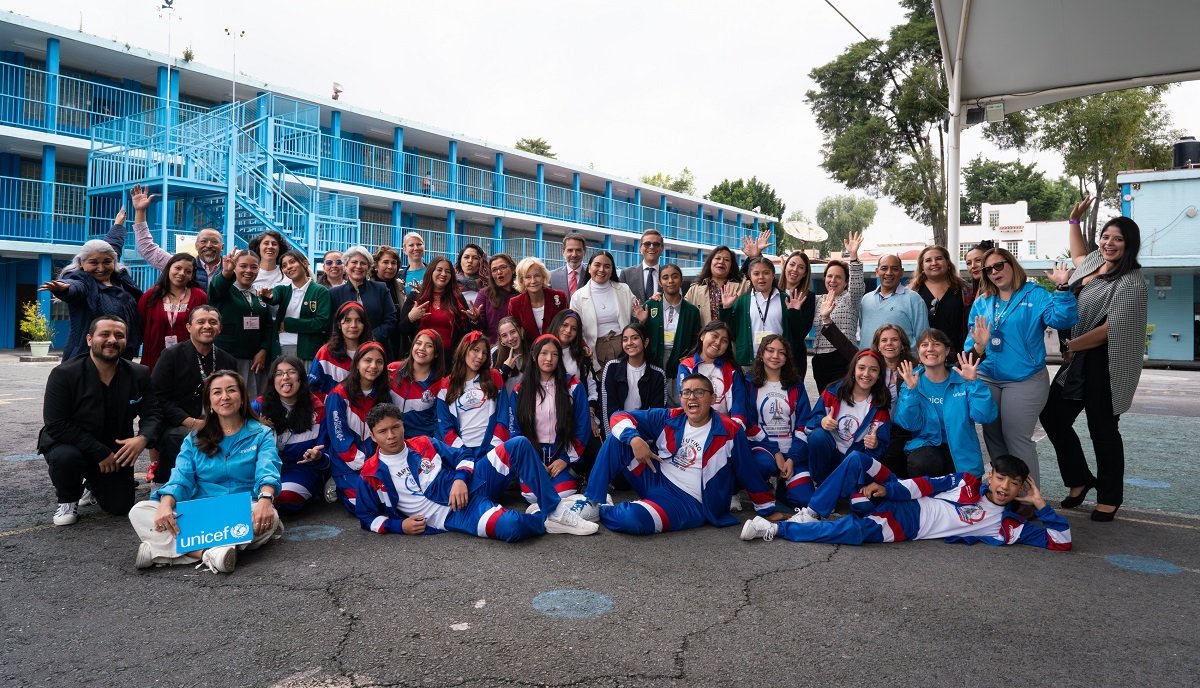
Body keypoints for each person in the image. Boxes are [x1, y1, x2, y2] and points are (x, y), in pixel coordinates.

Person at [1041, 197, 1148, 522]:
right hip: (1076, 357)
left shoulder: (1131, 282)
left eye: (1118, 239)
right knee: (1053, 418)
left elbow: (1109, 330)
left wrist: (1073, 343)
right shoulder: (1093, 262)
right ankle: (1080, 479)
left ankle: (1109, 497)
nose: (1109, 243)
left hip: (1104, 362)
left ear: (1129, 245)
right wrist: (1074, 221)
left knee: (1102, 429)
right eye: (1106, 236)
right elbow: (1077, 255)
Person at [740, 453, 1072, 553]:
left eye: (1014, 485)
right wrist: (889, 490)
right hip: (899, 501)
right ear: (990, 476)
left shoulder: (1005, 525)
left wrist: (1041, 506)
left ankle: (776, 528)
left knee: (854, 532)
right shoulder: (966, 481)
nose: (1005, 488)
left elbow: (1061, 541)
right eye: (1001, 479)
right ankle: (808, 515)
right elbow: (925, 485)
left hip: (906, 526)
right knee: (858, 459)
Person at [572, 374, 776, 535]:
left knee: (632, 520)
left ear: (712, 398)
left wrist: (767, 508)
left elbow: (747, 469)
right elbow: (618, 416)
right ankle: (593, 500)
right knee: (619, 439)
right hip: (654, 477)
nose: (692, 397)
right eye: (686, 392)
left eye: (699, 392)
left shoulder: (730, 430)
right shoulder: (670, 417)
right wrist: (634, 438)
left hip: (689, 501)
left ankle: (604, 510)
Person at [353, 404, 597, 538]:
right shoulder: (370, 474)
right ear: (373, 436)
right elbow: (366, 517)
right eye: (383, 432)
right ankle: (544, 520)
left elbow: (463, 456)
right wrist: (399, 526)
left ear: (403, 426)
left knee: (519, 444)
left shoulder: (424, 443)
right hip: (454, 514)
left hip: (472, 484)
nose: (391, 435)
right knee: (512, 528)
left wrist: (460, 479)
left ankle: (555, 509)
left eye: (395, 427)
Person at [128, 371, 282, 573]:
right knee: (140, 511)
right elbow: (181, 477)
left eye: (231, 390)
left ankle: (162, 551)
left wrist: (265, 500)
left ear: (243, 397)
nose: (224, 397)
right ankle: (209, 554)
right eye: (217, 392)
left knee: (270, 519)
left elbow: (268, 468)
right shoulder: (194, 438)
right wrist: (165, 504)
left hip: (242, 508)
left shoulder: (261, 433)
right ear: (209, 402)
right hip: (201, 510)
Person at [964, 247, 1076, 483]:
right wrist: (979, 347)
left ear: (1011, 264)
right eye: (988, 269)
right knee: (992, 435)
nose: (994, 272)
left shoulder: (1035, 295)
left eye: (998, 265)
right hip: (988, 376)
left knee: (1016, 437)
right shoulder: (983, 302)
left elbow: (1063, 319)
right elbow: (970, 347)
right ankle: (1004, 493)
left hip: (1024, 378)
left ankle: (1028, 500)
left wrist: (1063, 289)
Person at [38, 316, 160, 526]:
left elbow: (153, 413)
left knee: (119, 507)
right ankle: (68, 499)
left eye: (119, 336)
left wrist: (143, 438)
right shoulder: (64, 374)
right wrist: (99, 452)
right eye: (105, 334)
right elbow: (56, 424)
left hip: (114, 448)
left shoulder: (139, 373)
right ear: (89, 339)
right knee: (66, 458)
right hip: (70, 442)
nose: (112, 340)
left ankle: (91, 483)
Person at [149, 306, 238, 484]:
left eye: (213, 322)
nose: (207, 326)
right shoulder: (171, 355)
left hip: (218, 421)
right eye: (201, 322)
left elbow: (236, 397)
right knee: (178, 437)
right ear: (189, 327)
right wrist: (191, 422)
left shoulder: (228, 360)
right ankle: (171, 486)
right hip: (179, 422)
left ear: (220, 328)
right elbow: (158, 398)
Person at [895, 331, 997, 478]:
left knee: (965, 496)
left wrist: (974, 383)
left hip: (962, 450)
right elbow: (909, 424)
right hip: (927, 449)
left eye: (936, 344)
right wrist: (911, 392)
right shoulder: (912, 381)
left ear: (947, 350)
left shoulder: (963, 378)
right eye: (924, 345)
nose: (930, 349)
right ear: (918, 351)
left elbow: (985, 416)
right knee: (924, 462)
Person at [510, 334, 592, 503]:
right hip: (533, 455)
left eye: (555, 354)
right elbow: (515, 430)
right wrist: (532, 460)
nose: (549, 359)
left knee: (563, 494)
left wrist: (565, 459)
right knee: (532, 496)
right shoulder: (520, 390)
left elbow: (583, 426)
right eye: (544, 353)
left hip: (562, 453)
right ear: (534, 356)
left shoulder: (573, 386)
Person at [743, 334, 817, 509]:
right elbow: (749, 424)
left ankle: (783, 488)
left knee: (804, 500)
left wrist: (792, 457)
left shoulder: (796, 384)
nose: (775, 356)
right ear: (761, 354)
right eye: (770, 350)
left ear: (786, 358)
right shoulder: (749, 383)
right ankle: (763, 484)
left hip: (791, 450)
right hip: (763, 449)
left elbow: (803, 423)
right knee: (762, 465)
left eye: (781, 352)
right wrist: (775, 452)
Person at [41, 239, 143, 362]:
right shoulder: (84, 280)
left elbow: (114, 244)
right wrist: (64, 288)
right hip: (86, 358)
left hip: (122, 355)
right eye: (93, 263)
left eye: (107, 262)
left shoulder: (119, 279)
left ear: (114, 261)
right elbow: (77, 287)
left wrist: (118, 224)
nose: (101, 268)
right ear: (81, 263)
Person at [252, 356, 329, 515]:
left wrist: (318, 456)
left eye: (291, 372)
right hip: (263, 469)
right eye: (279, 373)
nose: (285, 377)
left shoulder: (317, 408)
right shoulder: (258, 407)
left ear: (301, 377)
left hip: (300, 469)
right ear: (273, 379)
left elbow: (328, 453)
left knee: (286, 498)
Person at [804, 349, 892, 486]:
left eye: (873, 370)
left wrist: (875, 445)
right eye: (861, 368)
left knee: (860, 504)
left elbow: (882, 448)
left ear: (879, 375)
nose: (866, 374)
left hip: (853, 462)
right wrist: (822, 421)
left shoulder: (880, 406)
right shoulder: (832, 392)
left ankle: (842, 487)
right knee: (818, 436)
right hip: (830, 456)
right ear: (853, 370)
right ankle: (821, 483)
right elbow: (809, 424)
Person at [325, 341, 390, 512]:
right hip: (346, 464)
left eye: (379, 362)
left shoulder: (383, 394)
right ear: (358, 363)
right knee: (367, 505)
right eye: (367, 360)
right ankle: (338, 484)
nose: (373, 366)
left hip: (376, 463)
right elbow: (339, 438)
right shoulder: (338, 395)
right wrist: (366, 464)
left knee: (390, 501)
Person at [122, 184, 224, 289]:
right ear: (196, 245)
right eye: (203, 241)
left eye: (214, 242)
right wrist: (140, 211)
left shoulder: (234, 269)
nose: (209, 245)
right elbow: (147, 248)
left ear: (222, 247)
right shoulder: (179, 266)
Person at [208, 250, 275, 400]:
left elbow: (268, 326)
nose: (248, 271)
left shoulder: (258, 295)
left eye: (254, 267)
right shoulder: (226, 291)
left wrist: (263, 349)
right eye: (243, 266)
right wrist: (226, 272)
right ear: (235, 267)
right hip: (228, 358)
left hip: (255, 361)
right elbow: (216, 289)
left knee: (252, 401)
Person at [719, 256, 807, 368]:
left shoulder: (785, 299)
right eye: (756, 274)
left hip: (778, 361)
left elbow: (798, 334)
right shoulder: (742, 301)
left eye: (766, 273)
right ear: (750, 277)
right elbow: (731, 333)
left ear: (773, 274)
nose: (761, 277)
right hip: (750, 362)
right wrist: (726, 308)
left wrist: (794, 312)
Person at [435, 331, 511, 457]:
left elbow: (503, 417)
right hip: (461, 453)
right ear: (464, 350)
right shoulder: (445, 385)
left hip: (493, 451)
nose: (480, 356)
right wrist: (463, 453)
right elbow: (445, 427)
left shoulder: (494, 377)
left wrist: (493, 449)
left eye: (485, 353)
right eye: (476, 350)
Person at [810, 232, 864, 391]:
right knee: (826, 403)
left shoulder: (850, 298)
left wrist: (853, 256)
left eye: (838, 277)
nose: (833, 280)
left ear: (846, 281)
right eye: (829, 276)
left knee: (843, 402)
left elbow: (857, 285)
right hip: (820, 360)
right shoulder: (818, 300)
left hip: (843, 357)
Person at [137, 252, 207, 371]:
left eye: (188, 271)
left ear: (192, 276)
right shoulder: (151, 295)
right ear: (169, 268)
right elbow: (140, 323)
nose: (181, 273)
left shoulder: (199, 296)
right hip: (155, 356)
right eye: (178, 268)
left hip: (188, 357)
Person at [643, 264, 700, 406]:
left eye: (675, 276)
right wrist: (642, 321)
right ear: (659, 282)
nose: (670, 281)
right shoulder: (650, 305)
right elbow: (640, 334)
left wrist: (688, 356)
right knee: (654, 406)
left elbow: (696, 340)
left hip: (678, 364)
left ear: (681, 280)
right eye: (665, 277)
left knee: (677, 407)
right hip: (654, 363)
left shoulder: (692, 311)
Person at [263, 250, 331, 366]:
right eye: (284, 266)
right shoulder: (282, 290)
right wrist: (268, 296)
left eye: (292, 262)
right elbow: (274, 297)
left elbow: (321, 322)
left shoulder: (320, 291)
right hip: (282, 349)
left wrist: (289, 324)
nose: (288, 267)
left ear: (304, 263)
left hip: (307, 351)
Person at [677, 320, 749, 429]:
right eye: (714, 336)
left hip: (725, 431)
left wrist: (733, 431)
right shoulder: (687, 366)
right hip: (694, 428)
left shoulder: (732, 370)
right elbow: (687, 400)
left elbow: (738, 408)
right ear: (702, 336)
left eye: (724, 341)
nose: (718, 342)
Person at [398, 256, 479, 353]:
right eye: (439, 270)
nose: (443, 274)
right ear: (431, 272)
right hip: (420, 357)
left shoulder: (457, 298)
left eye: (448, 272)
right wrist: (411, 317)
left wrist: (474, 320)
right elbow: (402, 329)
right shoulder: (416, 296)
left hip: (449, 360)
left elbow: (466, 333)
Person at [571, 251, 636, 368]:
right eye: (597, 265)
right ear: (589, 268)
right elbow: (575, 327)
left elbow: (638, 311)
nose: (602, 269)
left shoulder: (624, 289)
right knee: (600, 384)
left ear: (612, 271)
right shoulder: (578, 296)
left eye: (607, 266)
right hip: (594, 349)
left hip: (623, 347)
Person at [600, 323, 667, 433]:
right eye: (625, 340)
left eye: (635, 338)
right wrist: (611, 436)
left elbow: (658, 414)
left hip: (645, 432)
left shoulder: (658, 374)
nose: (629, 343)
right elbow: (607, 407)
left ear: (645, 342)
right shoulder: (612, 367)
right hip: (617, 430)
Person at [870, 323, 918, 478]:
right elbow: (847, 350)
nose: (889, 343)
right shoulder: (871, 368)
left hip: (904, 431)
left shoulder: (915, 368)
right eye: (884, 340)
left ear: (903, 345)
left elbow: (943, 367)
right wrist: (827, 321)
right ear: (877, 346)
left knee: (893, 457)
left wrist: (978, 349)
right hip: (876, 428)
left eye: (894, 340)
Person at [329, 245, 398, 350]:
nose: (358, 266)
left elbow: (391, 320)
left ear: (369, 268)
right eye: (354, 262)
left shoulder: (381, 289)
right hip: (344, 350)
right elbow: (332, 324)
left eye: (363, 263)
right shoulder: (334, 293)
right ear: (346, 266)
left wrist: (370, 338)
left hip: (378, 348)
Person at [387, 328, 446, 440]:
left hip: (421, 445)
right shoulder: (392, 370)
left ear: (437, 353)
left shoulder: (440, 385)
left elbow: (439, 423)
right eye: (418, 343)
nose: (422, 348)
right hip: (390, 441)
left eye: (429, 346)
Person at [910, 245, 970, 354]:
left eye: (939, 258)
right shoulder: (912, 293)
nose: (934, 263)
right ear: (922, 266)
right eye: (928, 260)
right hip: (925, 355)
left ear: (947, 263)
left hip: (958, 354)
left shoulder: (964, 290)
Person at [309, 302, 374, 400]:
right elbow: (311, 388)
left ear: (364, 324)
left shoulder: (373, 351)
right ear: (339, 324)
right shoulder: (325, 353)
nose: (353, 325)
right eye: (347, 320)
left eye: (359, 320)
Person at [859, 254, 928, 346]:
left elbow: (922, 336)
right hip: (869, 359)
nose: (889, 273)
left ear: (901, 272)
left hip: (903, 360)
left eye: (894, 269)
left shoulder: (914, 299)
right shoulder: (866, 299)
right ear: (877, 272)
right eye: (884, 268)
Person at [684, 245, 747, 328]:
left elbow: (759, 280)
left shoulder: (743, 285)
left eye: (727, 260)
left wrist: (755, 256)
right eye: (717, 258)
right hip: (704, 339)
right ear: (710, 262)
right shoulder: (695, 289)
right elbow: (681, 311)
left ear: (731, 266)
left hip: (732, 339)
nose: (721, 262)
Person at [777, 251, 817, 382]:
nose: (795, 270)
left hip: (795, 358)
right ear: (785, 267)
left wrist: (794, 312)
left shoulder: (809, 297)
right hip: (771, 354)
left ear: (805, 273)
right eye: (792, 264)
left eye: (801, 267)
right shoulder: (773, 291)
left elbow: (801, 332)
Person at [549, 309, 599, 406]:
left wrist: (591, 410)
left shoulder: (582, 354)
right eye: (565, 325)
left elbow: (591, 386)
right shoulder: (543, 351)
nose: (568, 331)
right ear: (556, 324)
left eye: (574, 328)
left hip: (579, 409)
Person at [510, 257, 568, 337]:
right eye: (528, 277)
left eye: (537, 276)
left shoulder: (559, 297)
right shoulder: (515, 304)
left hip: (556, 347)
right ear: (521, 280)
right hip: (529, 349)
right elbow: (513, 332)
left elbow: (568, 325)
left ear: (543, 277)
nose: (533, 281)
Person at [371, 244, 407, 359]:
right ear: (376, 264)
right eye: (385, 262)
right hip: (373, 342)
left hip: (397, 345)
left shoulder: (400, 287)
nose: (390, 266)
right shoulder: (367, 285)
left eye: (394, 263)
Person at [475, 253, 517, 344]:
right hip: (494, 348)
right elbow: (479, 327)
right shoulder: (485, 293)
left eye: (502, 267)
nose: (499, 272)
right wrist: (475, 319)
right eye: (494, 270)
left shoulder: (522, 293)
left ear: (513, 269)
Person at [621, 229, 665, 302]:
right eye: (647, 244)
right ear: (640, 248)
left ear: (662, 248)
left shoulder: (668, 276)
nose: (651, 247)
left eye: (656, 244)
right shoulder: (626, 274)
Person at [491, 316, 529, 386]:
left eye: (513, 332)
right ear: (501, 339)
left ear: (521, 331)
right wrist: (506, 368)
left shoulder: (533, 351)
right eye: (504, 335)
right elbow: (494, 387)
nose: (510, 338)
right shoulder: (496, 354)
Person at [549, 233, 589, 298]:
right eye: (570, 250)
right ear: (563, 252)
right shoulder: (551, 276)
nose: (574, 255)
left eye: (578, 250)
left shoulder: (591, 275)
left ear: (584, 252)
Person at [963, 240, 995, 305]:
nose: (973, 266)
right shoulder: (970, 292)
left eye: (978, 260)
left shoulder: (1002, 290)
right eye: (968, 263)